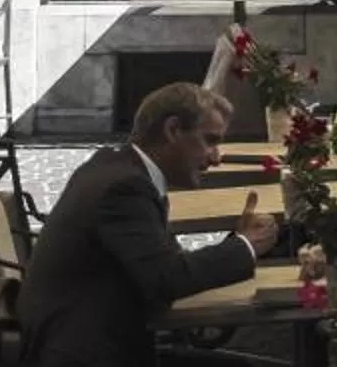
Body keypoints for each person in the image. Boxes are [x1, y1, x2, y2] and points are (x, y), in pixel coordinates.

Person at [17, 82, 280, 367]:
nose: (217, 157)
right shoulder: (124, 187)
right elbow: (166, 280)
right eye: (210, 140)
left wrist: (237, 242)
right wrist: (245, 247)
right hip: (88, 353)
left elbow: (163, 265)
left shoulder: (117, 166)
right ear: (173, 130)